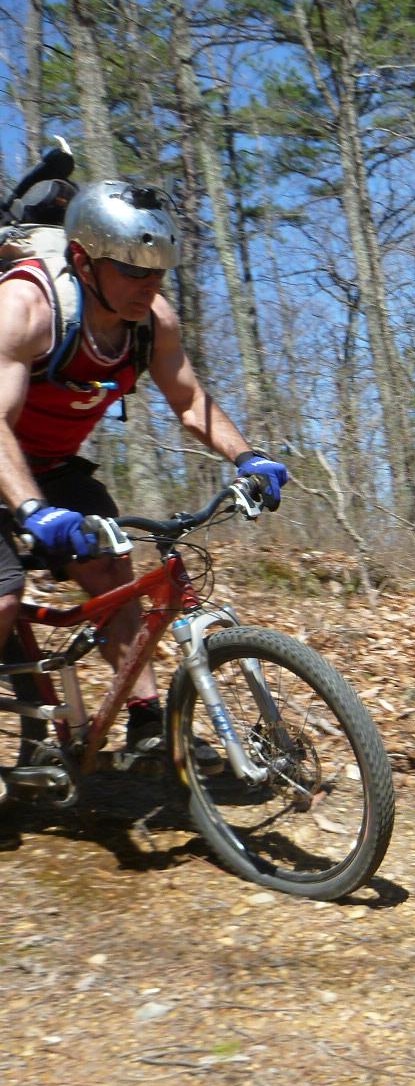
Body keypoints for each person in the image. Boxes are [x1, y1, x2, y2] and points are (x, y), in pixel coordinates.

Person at [0, 179, 288, 753]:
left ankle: (147, 721)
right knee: (3, 599)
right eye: (133, 269)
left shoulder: (153, 322)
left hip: (52, 465)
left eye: (159, 268)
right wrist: (31, 509)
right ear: (83, 260)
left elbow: (189, 401)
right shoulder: (25, 307)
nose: (150, 283)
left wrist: (248, 456)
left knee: (114, 572)